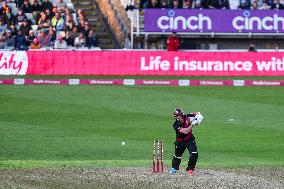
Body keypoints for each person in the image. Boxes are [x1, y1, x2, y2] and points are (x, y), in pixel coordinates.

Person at [170, 108, 203, 176]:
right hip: (180, 141)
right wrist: (193, 124)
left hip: (189, 139)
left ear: (182, 115)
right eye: (176, 117)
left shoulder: (187, 117)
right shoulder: (175, 124)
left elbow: (196, 113)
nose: (178, 119)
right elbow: (186, 131)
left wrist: (199, 116)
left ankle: (190, 169)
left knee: (194, 154)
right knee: (177, 156)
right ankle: (174, 168)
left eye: (179, 117)